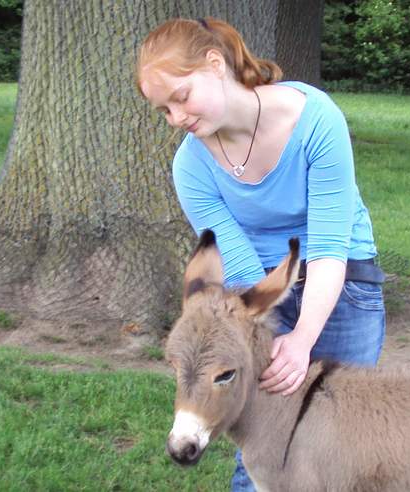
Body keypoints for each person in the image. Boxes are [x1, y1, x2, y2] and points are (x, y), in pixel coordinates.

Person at [136, 17, 386, 491]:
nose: (176, 118)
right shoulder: (190, 165)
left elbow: (331, 246)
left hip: (342, 283)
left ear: (214, 65)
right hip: (257, 298)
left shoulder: (316, 118)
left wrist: (303, 339)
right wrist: (271, 338)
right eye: (163, 110)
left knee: (344, 442)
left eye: (181, 96)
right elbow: (243, 266)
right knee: (265, 441)